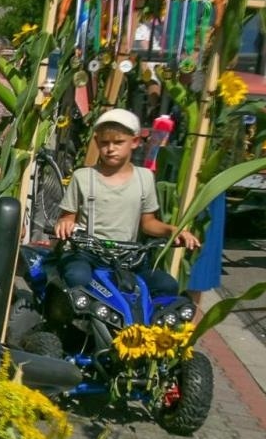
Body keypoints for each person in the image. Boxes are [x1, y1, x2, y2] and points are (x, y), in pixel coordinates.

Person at [51, 108, 198, 297]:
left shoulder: (144, 177)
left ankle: (147, 326)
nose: (110, 149)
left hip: (128, 257)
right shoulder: (83, 177)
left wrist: (173, 230)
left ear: (135, 142)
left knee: (166, 285)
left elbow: (148, 223)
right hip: (87, 254)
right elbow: (67, 217)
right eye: (104, 143)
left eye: (118, 142)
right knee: (77, 277)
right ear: (96, 142)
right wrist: (65, 223)